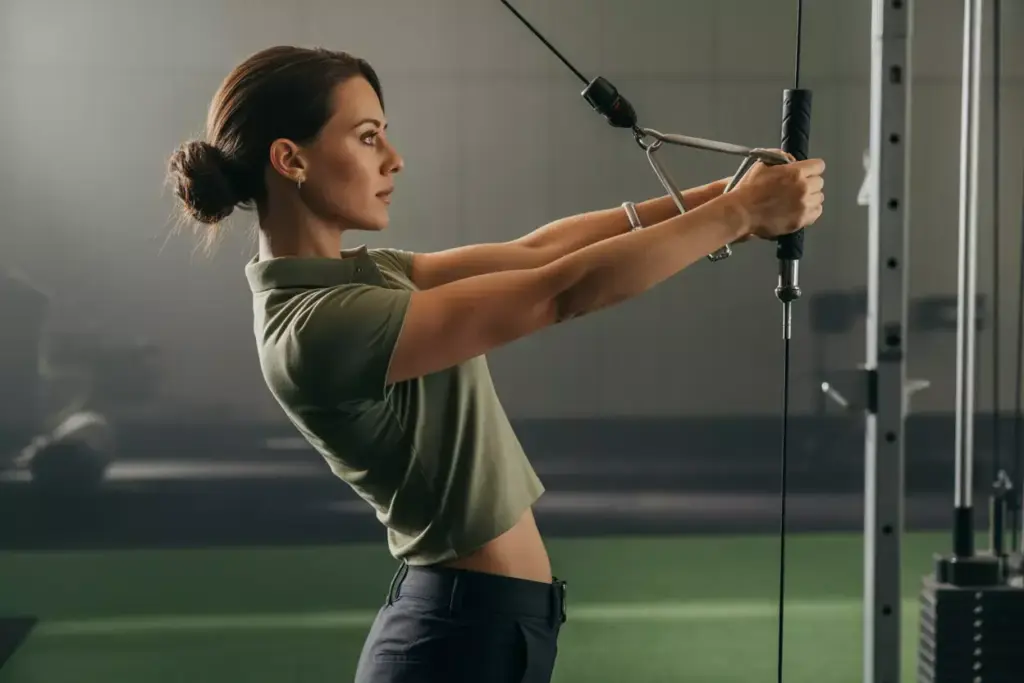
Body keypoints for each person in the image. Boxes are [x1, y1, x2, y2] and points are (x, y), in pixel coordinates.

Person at [166, 46, 825, 683]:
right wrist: (739, 211)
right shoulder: (317, 327)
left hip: (478, 625)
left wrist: (724, 200)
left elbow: (537, 252)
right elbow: (556, 292)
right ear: (291, 159)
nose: (394, 159)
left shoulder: (360, 275)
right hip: (458, 639)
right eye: (368, 138)